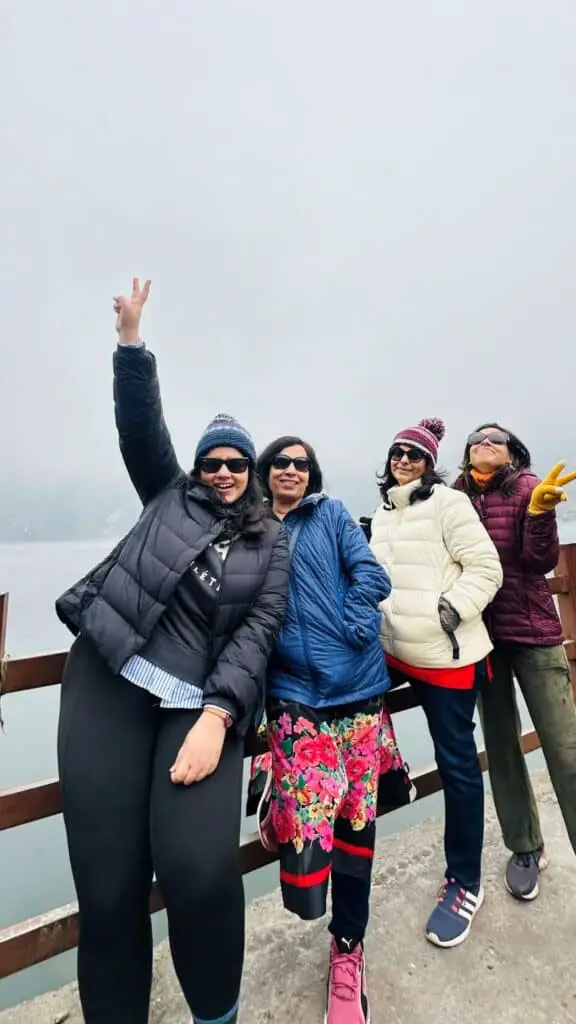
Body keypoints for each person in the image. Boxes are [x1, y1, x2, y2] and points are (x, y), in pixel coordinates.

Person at [54, 279, 290, 1024]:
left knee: (198, 870)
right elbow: (140, 428)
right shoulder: (167, 495)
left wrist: (221, 715)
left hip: (195, 707)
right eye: (212, 462)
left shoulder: (270, 542)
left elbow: (259, 633)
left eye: (236, 464)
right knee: (109, 887)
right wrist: (132, 346)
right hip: (106, 682)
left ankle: (215, 1015)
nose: (222, 473)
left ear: (251, 474)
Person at [246, 435, 398, 1024]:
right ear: (266, 471)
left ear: (313, 474)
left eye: (301, 463)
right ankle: (279, 799)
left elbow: (371, 575)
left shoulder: (331, 515)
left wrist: (355, 625)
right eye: (281, 461)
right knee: (311, 828)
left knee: (355, 820)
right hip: (292, 696)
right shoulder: (253, 529)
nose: (291, 469)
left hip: (356, 687)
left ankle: (348, 947)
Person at [368, 418, 503, 948]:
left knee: (458, 767)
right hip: (393, 651)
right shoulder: (382, 514)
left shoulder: (449, 504)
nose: (404, 460)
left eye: (415, 455)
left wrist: (451, 609)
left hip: (446, 658)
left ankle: (465, 881)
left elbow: (485, 568)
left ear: (430, 464)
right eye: (398, 451)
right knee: (334, 701)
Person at [454, 423, 576, 901]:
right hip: (483, 638)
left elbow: (539, 560)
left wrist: (541, 514)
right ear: (466, 453)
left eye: (495, 439)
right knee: (501, 744)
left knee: (565, 745)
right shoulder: (452, 497)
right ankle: (526, 846)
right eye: (477, 438)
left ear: (511, 453)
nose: (485, 443)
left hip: (534, 634)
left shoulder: (528, 488)